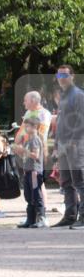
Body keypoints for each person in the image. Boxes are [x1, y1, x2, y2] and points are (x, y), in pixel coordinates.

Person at [53, 64, 84, 228]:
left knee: (80, 181)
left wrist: (72, 141)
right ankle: (70, 216)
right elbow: (60, 123)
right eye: (59, 75)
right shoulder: (64, 96)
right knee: (66, 182)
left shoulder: (78, 95)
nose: (62, 78)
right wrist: (56, 146)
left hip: (76, 146)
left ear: (72, 76)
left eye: (65, 75)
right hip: (63, 146)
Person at [14, 90, 54, 212]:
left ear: (33, 101)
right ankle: (35, 208)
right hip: (26, 148)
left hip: (36, 149)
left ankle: (42, 209)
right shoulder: (28, 112)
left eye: (25, 100)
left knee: (38, 180)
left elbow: (41, 133)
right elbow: (21, 131)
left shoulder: (44, 114)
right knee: (31, 180)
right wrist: (18, 143)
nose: (23, 102)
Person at [13, 116, 46, 228]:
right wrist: (18, 151)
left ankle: (42, 218)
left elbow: (35, 155)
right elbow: (25, 156)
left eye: (27, 126)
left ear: (35, 127)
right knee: (28, 195)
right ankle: (30, 219)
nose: (25, 128)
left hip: (34, 172)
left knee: (36, 194)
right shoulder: (28, 140)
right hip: (28, 171)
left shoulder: (35, 140)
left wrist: (23, 150)